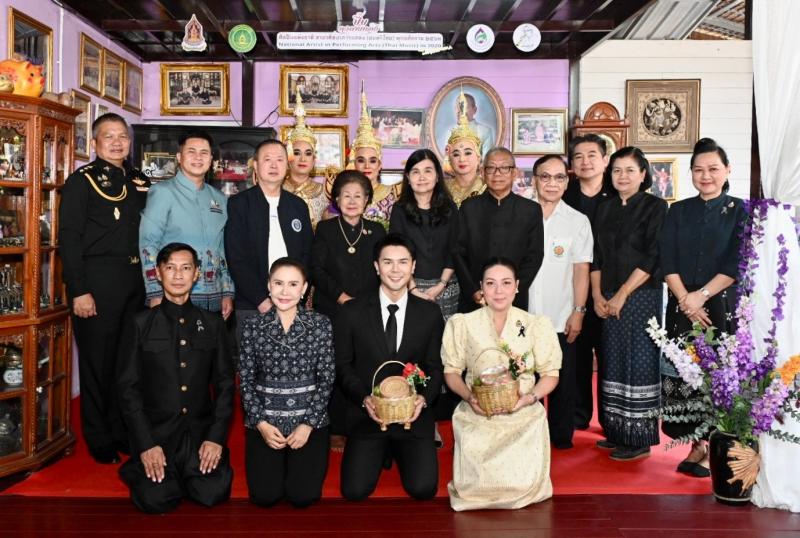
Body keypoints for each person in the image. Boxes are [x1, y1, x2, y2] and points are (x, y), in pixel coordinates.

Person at [58, 113, 151, 464]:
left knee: (126, 365)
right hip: (97, 282)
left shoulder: (139, 180)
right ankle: (98, 438)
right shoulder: (82, 181)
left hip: (135, 280)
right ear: (95, 143)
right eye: (108, 136)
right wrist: (78, 290)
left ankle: (121, 429)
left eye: (122, 136)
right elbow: (69, 238)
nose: (116, 142)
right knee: (98, 364)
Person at [117, 243, 234, 514]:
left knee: (212, 493)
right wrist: (146, 444)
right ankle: (139, 466)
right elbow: (127, 389)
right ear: (158, 273)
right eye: (170, 268)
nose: (178, 275)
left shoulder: (213, 324)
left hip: (198, 434)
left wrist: (216, 438)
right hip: (157, 434)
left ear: (196, 274)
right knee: (156, 499)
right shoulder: (140, 324)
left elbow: (225, 385)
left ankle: (185, 472)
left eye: (186, 268)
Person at [442, 257, 562, 511]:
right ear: (481, 287)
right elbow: (451, 372)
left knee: (521, 486)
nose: (498, 291)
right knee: (474, 491)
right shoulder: (463, 323)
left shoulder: (535, 324)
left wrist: (529, 398)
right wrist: (469, 397)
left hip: (522, 414)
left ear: (517, 286)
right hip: (478, 411)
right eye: (491, 283)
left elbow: (550, 374)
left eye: (506, 283)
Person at [659, 138, 745, 477]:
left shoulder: (740, 211)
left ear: (727, 170)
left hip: (720, 307)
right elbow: (667, 260)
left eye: (713, 169)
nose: (705, 176)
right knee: (685, 376)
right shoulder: (678, 210)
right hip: (682, 307)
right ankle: (695, 445)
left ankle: (715, 448)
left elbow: (736, 263)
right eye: (698, 170)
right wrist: (686, 299)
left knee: (717, 377)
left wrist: (702, 296)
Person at [336, 234, 444, 501]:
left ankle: (398, 451)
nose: (395, 270)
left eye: (403, 262)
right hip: (369, 416)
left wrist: (423, 399)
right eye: (388, 262)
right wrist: (364, 399)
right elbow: (343, 366)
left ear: (413, 266)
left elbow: (435, 367)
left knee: (423, 489)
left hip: (412, 418)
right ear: (376, 266)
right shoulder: (352, 311)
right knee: (354, 491)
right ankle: (382, 451)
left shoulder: (430, 313)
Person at [239, 258, 334, 508]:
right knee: (265, 497)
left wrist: (307, 425)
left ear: (304, 289)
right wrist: (261, 424)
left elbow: (326, 378)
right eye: (278, 283)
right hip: (266, 421)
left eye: (293, 284)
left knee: (303, 496)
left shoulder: (321, 324)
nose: (284, 291)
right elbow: (246, 379)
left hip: (308, 421)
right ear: (268, 285)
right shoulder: (252, 326)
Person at [591, 146, 667, 461]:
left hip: (641, 295)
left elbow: (653, 256)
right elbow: (595, 255)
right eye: (617, 170)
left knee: (639, 363)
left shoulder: (655, 206)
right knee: (612, 361)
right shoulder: (604, 208)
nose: (622, 176)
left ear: (643, 174)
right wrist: (597, 295)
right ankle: (616, 431)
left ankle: (638, 439)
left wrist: (622, 293)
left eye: (630, 170)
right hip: (607, 295)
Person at [312, 170, 386, 449]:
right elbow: (316, 269)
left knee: (362, 365)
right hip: (333, 310)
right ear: (336, 199)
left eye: (358, 196)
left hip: (367, 312)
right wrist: (342, 297)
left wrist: (366, 303)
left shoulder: (377, 230)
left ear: (367, 200)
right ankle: (336, 427)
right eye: (346, 196)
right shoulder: (326, 229)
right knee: (334, 366)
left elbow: (382, 270)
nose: (352, 201)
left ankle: (364, 421)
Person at [528, 155, 593, 449]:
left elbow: (581, 270)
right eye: (545, 176)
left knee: (562, 378)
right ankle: (528, 434)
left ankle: (560, 435)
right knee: (525, 377)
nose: (552, 183)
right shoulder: (522, 214)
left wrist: (578, 311)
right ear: (534, 180)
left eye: (559, 177)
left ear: (567, 182)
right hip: (524, 315)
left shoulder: (577, 221)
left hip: (561, 313)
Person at [225, 139, 313, 342]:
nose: (274, 165)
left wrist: (294, 295)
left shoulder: (298, 206)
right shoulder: (239, 204)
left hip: (292, 304)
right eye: (267, 159)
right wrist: (262, 301)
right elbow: (236, 258)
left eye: (280, 160)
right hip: (252, 305)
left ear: (287, 166)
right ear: (256, 166)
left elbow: (308, 254)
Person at [139, 130, 233, 317]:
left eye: (204, 152)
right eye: (191, 151)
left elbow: (222, 249)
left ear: (211, 159)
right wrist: (155, 292)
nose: (198, 157)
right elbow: (148, 244)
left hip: (214, 297)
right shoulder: (162, 192)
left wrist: (227, 291)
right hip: (173, 294)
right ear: (179, 157)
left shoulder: (219, 198)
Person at [564, 134, 615, 432]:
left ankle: (610, 419)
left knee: (609, 356)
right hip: (573, 285)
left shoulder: (618, 192)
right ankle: (577, 414)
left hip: (611, 287)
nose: (585, 162)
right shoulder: (564, 192)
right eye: (578, 156)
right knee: (577, 353)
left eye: (592, 155)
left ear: (605, 160)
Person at [454, 147, 544, 313]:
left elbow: (534, 256)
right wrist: (473, 290)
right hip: (475, 299)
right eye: (491, 168)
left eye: (504, 168)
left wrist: (512, 291)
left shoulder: (530, 210)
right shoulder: (469, 207)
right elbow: (458, 253)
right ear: (482, 172)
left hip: (514, 300)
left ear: (514, 173)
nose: (497, 174)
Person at [389, 149, 460, 320]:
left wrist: (441, 284)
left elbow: (455, 249)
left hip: (446, 286)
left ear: (437, 176)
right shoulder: (399, 210)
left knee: (446, 336)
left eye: (428, 171)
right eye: (415, 172)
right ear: (408, 177)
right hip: (409, 286)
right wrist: (413, 288)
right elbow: (398, 252)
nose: (422, 177)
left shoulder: (450, 208)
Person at [327, 84, 397, 227]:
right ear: (353, 163)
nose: (367, 166)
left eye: (373, 161)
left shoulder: (393, 194)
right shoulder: (343, 195)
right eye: (361, 160)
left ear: (380, 165)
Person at [284, 93, 328, 229]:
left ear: (314, 160)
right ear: (288, 158)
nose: (303, 159)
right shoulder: (277, 189)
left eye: (308, 154)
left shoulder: (324, 192)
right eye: (297, 153)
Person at [444, 90, 486, 208]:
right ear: (449, 158)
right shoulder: (443, 190)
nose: (462, 159)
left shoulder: (487, 189)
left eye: (468, 153)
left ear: (478, 157)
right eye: (456, 154)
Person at [461, 92, 495, 158]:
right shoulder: (450, 132)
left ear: (474, 110)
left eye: (465, 107)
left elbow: (486, 160)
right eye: (459, 107)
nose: (461, 111)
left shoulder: (485, 131)